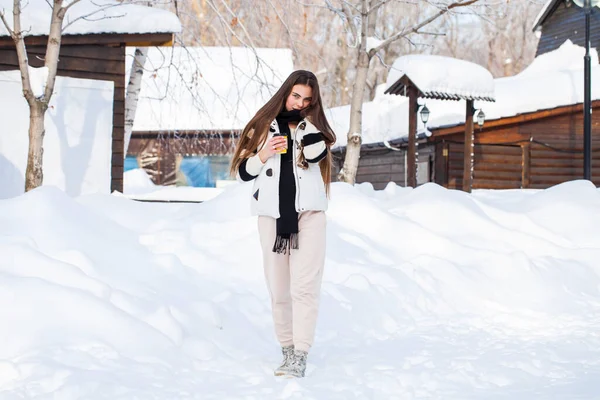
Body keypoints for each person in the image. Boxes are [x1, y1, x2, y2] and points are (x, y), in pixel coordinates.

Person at [230, 70, 336, 378]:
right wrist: (264, 153)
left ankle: (300, 354)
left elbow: (316, 157)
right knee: (279, 289)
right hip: (273, 217)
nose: (300, 103)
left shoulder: (313, 128)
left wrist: (309, 127)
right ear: (285, 92)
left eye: (307, 99)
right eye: (296, 96)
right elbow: (243, 173)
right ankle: (287, 349)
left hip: (310, 216)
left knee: (304, 287)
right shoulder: (262, 126)